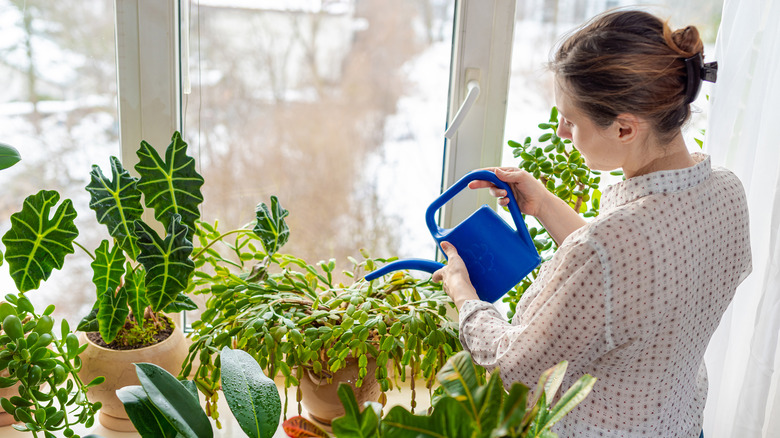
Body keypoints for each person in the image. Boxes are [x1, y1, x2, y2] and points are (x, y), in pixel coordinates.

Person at [432, 9, 752, 438]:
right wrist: (544, 204)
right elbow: (629, 288)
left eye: (572, 120)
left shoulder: (612, 248)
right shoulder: (728, 193)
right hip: (679, 422)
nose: (563, 133)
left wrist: (463, 294)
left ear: (624, 128)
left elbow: (517, 369)